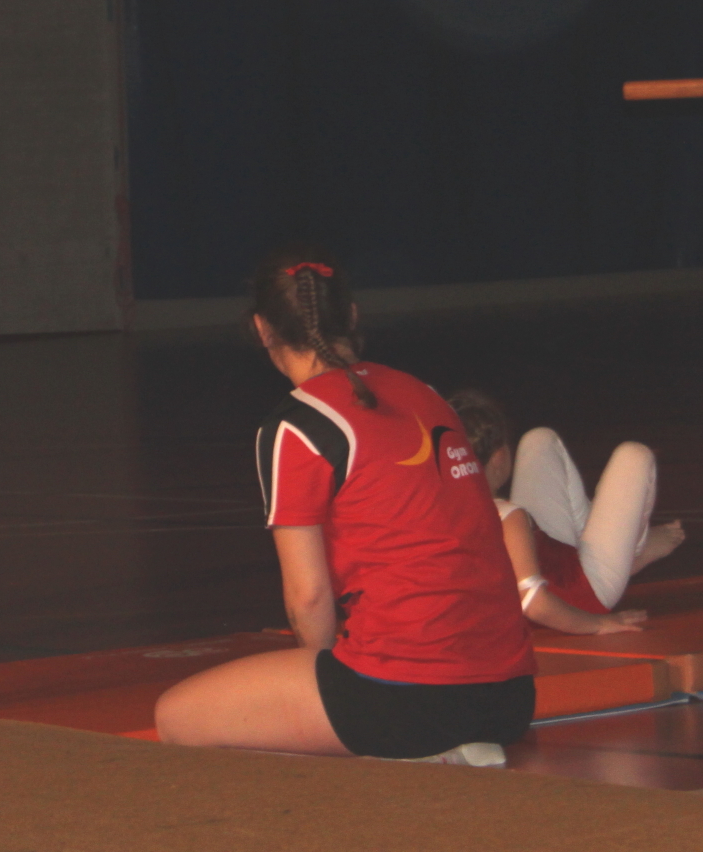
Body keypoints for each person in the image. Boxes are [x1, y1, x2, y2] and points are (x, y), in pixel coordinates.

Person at [154, 254, 534, 767]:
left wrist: (327, 680)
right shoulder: (424, 394)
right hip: (510, 697)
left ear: (262, 329)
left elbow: (309, 597)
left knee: (177, 718)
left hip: (410, 698)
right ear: (352, 316)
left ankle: (401, 751)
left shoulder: (298, 425)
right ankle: (427, 743)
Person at [447, 390, 679, 636]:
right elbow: (534, 604)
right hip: (577, 600)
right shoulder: (508, 516)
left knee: (540, 439)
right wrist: (599, 624)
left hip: (555, 563)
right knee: (635, 455)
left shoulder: (437, 509)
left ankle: (613, 553)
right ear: (498, 458)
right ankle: (631, 555)